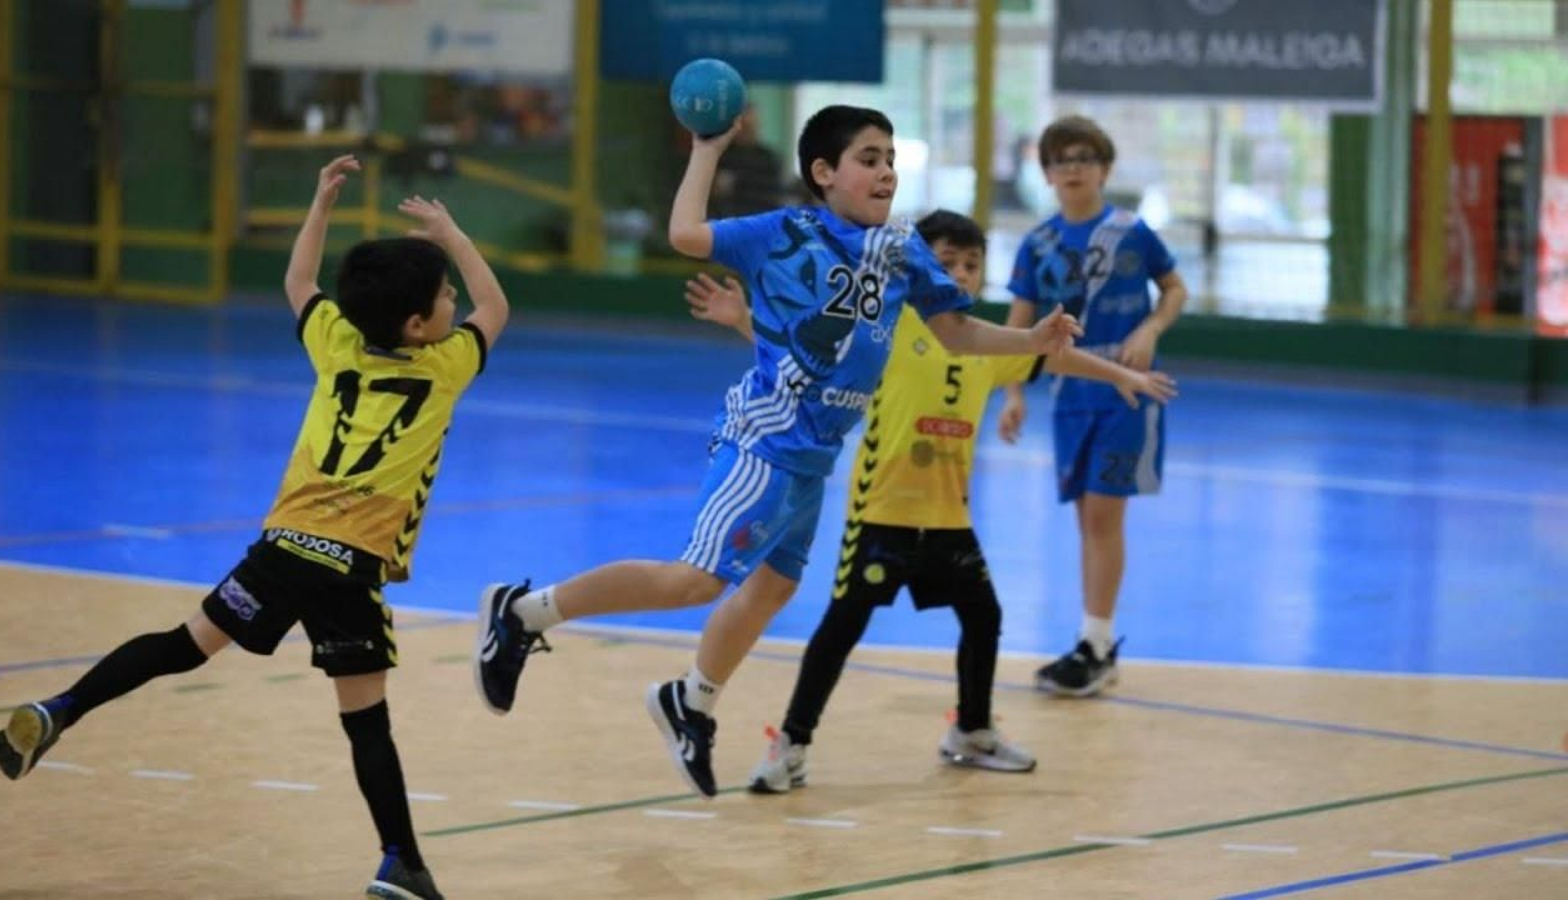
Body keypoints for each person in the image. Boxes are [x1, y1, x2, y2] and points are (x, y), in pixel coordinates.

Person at [474, 105, 1082, 799]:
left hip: (814, 455)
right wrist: (709, 149)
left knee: (775, 584)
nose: (886, 170)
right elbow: (685, 232)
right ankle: (523, 614)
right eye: (869, 158)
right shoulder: (782, 233)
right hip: (764, 437)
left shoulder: (900, 248)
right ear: (825, 174)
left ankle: (691, 703)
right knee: (695, 581)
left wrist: (1032, 342)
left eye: (890, 158)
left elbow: (956, 332)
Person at [0, 155, 509, 900]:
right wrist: (451, 233)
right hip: (348, 568)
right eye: (442, 296)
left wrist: (321, 204)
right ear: (418, 325)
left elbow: (302, 285)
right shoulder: (444, 368)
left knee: (185, 645)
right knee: (367, 722)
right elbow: (497, 308)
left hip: (282, 550)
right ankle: (402, 862)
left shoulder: (335, 346)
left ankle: (60, 708)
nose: (455, 300)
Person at [683, 210, 1176, 792]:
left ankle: (971, 731)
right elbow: (813, 355)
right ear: (920, 267)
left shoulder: (983, 342)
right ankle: (791, 743)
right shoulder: (886, 332)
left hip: (948, 520)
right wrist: (743, 318)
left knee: (984, 617)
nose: (961, 274)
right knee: (840, 629)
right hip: (882, 516)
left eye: (972, 265)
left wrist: (1119, 375)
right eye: (947, 264)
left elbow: (1054, 357)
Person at [999, 115, 1189, 697]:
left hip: (1128, 389)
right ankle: (1095, 642)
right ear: (1048, 174)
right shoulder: (1039, 243)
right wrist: (1012, 391)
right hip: (1069, 391)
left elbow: (1176, 286)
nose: (1073, 168)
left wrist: (1152, 328)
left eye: (1084, 158)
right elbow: (1019, 323)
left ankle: (1096, 642)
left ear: (1104, 168)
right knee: (1088, 519)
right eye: (1061, 160)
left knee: (1104, 515)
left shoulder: (1132, 231)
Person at [711, 103, 787, 218]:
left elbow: (774, 193)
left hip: (761, 219)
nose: (747, 131)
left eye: (751, 126)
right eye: (744, 126)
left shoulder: (769, 158)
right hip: (728, 220)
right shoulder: (721, 155)